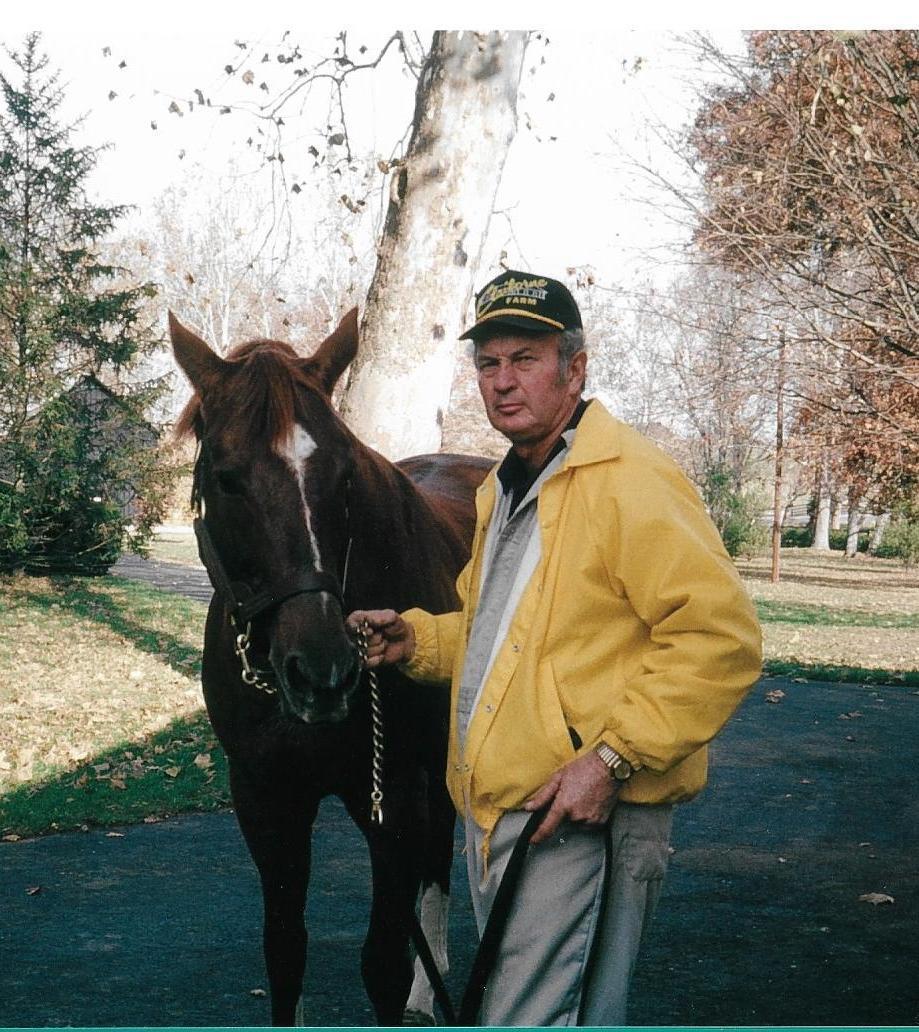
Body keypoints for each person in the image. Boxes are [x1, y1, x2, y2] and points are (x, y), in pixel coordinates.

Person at [347, 269, 762, 1026]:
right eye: (487, 363)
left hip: (581, 815)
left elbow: (718, 640)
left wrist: (608, 761)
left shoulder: (628, 480)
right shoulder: (508, 484)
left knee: (534, 1020)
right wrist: (417, 638)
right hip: (508, 811)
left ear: (575, 367)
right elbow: (499, 631)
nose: (502, 383)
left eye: (525, 359)